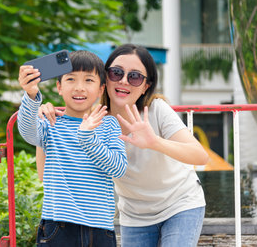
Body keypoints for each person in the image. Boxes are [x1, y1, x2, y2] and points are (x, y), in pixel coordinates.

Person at [37, 44, 209, 247]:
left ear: (145, 85)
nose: (124, 81)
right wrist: (43, 123)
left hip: (180, 204)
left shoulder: (155, 110)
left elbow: (200, 156)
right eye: (116, 73)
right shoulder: (91, 121)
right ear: (105, 79)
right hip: (135, 214)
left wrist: (154, 142)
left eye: (134, 76)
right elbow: (45, 174)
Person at [17, 50, 128, 247]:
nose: (79, 88)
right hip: (58, 227)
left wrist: (88, 139)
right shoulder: (50, 123)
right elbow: (27, 131)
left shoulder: (109, 124)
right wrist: (31, 95)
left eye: (88, 80)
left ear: (101, 89)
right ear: (59, 87)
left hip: (99, 229)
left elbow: (118, 168)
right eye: (70, 79)